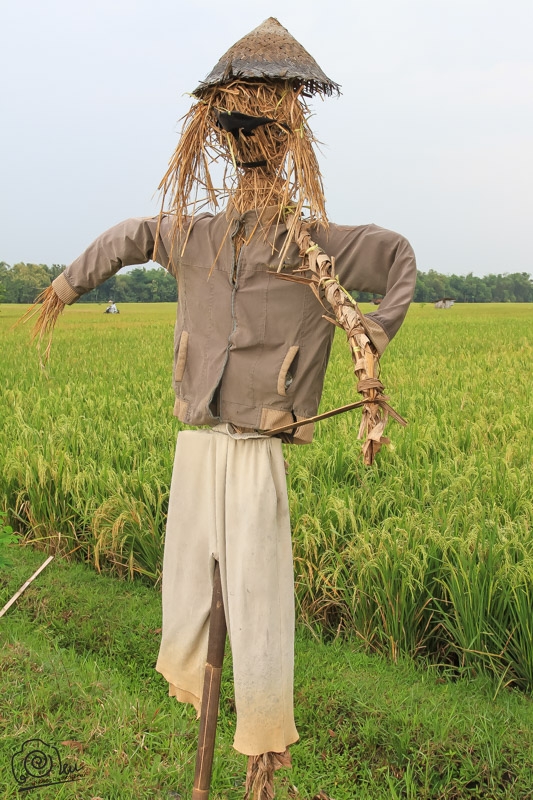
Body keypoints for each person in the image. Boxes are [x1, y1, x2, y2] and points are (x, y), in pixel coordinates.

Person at [32, 18, 416, 798]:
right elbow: (128, 236)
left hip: (258, 446)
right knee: (193, 596)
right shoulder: (195, 237)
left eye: (261, 126)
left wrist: (370, 332)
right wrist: (66, 285)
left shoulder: (316, 245)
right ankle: (204, 726)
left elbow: (398, 256)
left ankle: (260, 752)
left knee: (258, 602)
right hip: (199, 444)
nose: (248, 144)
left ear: (285, 132)